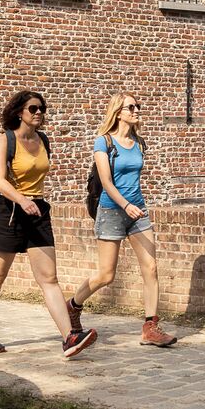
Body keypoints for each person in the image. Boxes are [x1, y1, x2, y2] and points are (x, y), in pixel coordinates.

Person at [0, 89, 96, 358]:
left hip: (38, 210)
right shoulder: (6, 140)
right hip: (9, 211)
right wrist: (21, 200)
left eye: (42, 108)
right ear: (20, 112)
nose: (39, 113)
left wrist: (32, 203)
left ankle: (69, 337)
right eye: (33, 109)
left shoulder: (43, 140)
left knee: (49, 278)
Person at [68, 93, 177, 348]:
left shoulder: (139, 143)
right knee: (106, 275)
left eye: (138, 106)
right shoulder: (103, 142)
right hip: (111, 211)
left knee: (151, 268)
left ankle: (151, 327)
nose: (137, 110)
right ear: (118, 112)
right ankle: (73, 305)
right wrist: (125, 205)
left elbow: (133, 180)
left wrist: (133, 206)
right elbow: (106, 182)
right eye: (131, 107)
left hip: (137, 211)